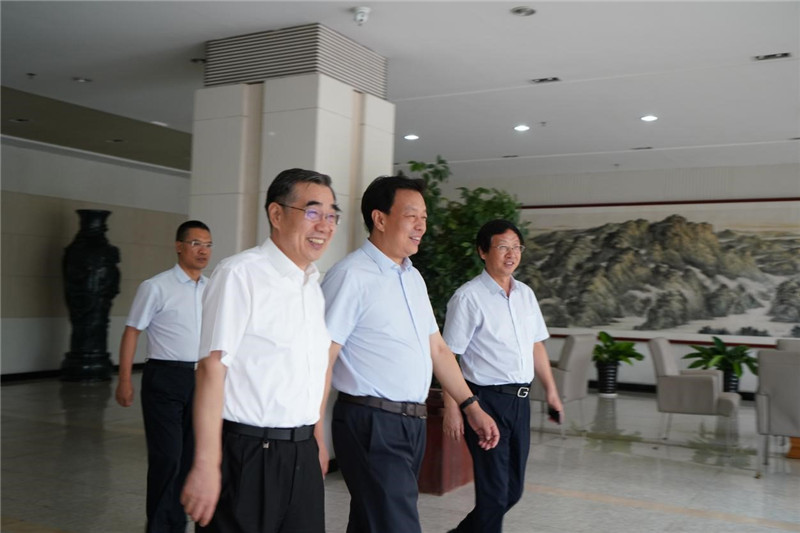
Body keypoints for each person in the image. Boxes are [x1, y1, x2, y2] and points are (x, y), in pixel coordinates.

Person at [321, 175, 501, 533]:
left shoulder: (412, 278)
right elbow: (324, 355)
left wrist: (471, 406)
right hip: (371, 422)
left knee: (372, 521)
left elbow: (438, 349)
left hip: (410, 423)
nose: (421, 226)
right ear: (380, 218)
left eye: (424, 217)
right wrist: (313, 430)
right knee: (397, 523)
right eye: (411, 215)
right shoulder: (351, 275)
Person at [181, 169, 340, 533]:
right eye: (313, 212)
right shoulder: (240, 274)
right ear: (277, 214)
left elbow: (314, 371)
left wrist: (317, 439)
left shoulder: (311, 286)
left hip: (302, 452)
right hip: (249, 453)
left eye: (332, 215)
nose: (325, 225)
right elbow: (211, 369)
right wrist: (205, 464)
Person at [442, 219, 562, 533]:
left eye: (516, 247)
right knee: (494, 494)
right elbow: (448, 357)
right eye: (503, 247)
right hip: (486, 403)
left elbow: (536, 345)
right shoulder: (468, 298)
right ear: (483, 252)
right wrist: (452, 409)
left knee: (512, 491)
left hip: (520, 403)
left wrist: (551, 391)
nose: (511, 254)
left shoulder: (525, 295)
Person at [115, 219, 213, 533]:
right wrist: (125, 380)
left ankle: (178, 522)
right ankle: (159, 526)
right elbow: (132, 331)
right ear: (179, 246)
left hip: (201, 380)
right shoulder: (156, 287)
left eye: (208, 245)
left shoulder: (211, 288)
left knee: (190, 458)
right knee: (167, 457)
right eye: (196, 243)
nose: (203, 251)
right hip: (165, 379)